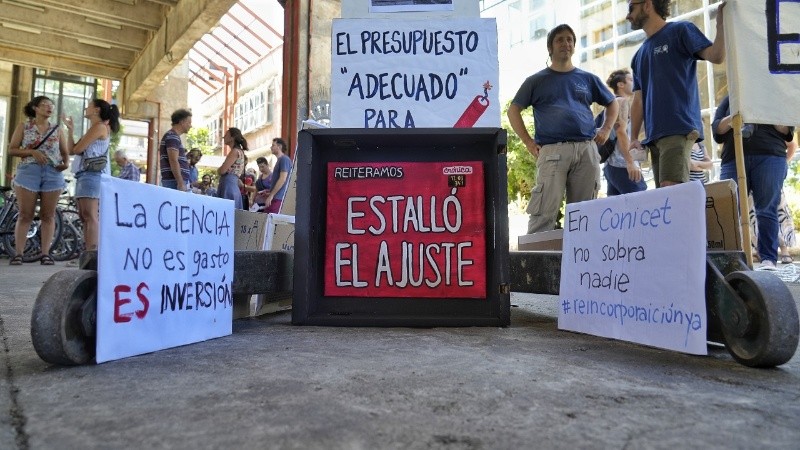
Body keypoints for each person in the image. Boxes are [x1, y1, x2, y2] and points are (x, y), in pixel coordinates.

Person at [507, 24, 618, 233]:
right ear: (550, 47)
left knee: (586, 217)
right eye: (560, 40)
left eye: (569, 40)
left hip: (586, 150)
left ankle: (582, 262)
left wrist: (605, 129)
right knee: (543, 213)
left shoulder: (588, 79)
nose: (565, 44)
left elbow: (613, 103)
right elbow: (513, 111)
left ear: (574, 46)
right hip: (552, 152)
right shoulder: (536, 81)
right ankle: (536, 264)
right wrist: (529, 143)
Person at [627, 0, 726, 187]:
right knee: (668, 200)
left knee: (671, 193)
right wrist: (633, 138)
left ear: (647, 5)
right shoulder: (638, 56)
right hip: (654, 137)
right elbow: (638, 101)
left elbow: (716, 56)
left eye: (631, 8)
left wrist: (721, 23)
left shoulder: (681, 30)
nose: (627, 15)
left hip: (678, 128)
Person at [713, 95, 795, 270]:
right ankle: (731, 260)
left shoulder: (771, 95)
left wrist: (762, 112)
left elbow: (787, 130)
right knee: (728, 209)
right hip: (733, 157)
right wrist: (734, 116)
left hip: (770, 155)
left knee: (767, 208)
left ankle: (768, 260)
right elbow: (717, 130)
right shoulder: (731, 98)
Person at [7, 96, 70, 265]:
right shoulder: (24, 126)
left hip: (52, 173)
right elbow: (12, 149)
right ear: (35, 108)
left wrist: (66, 164)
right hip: (29, 172)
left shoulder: (57, 129)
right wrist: (31, 152)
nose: (49, 108)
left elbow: (65, 152)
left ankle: (45, 254)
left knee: (48, 215)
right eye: (44, 105)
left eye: (51, 105)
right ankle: (19, 253)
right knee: (25, 214)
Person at [64, 99, 120, 253]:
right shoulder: (95, 128)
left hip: (92, 175)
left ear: (96, 110)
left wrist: (76, 143)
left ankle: (92, 252)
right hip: (85, 174)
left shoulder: (99, 127)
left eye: (89, 105)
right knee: (85, 215)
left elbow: (76, 149)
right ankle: (89, 251)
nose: (86, 108)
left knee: (89, 215)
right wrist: (70, 130)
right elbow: (72, 150)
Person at [602, 68, 646, 196]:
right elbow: (621, 132)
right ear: (620, 84)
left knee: (618, 210)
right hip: (621, 165)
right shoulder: (621, 102)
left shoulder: (614, 103)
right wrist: (630, 162)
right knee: (642, 204)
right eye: (631, 80)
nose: (634, 83)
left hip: (612, 166)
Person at [159, 109, 192, 191]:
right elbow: (173, 160)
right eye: (189, 122)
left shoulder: (173, 136)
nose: (190, 125)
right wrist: (180, 182)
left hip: (174, 181)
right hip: (174, 182)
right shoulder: (172, 137)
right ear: (181, 122)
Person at [216, 127, 247, 209]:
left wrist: (220, 170)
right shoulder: (240, 152)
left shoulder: (234, 151)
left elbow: (222, 171)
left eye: (226, 135)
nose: (223, 137)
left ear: (232, 138)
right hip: (232, 185)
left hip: (228, 186)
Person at [265, 137, 293, 215]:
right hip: (276, 197)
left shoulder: (284, 159)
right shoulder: (281, 160)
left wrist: (271, 195)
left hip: (278, 198)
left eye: (273, 145)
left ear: (279, 147)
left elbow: (282, 179)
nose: (271, 147)